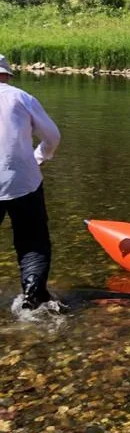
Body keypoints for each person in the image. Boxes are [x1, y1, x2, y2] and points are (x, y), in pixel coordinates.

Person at [0, 55, 61, 310]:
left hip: (20, 180)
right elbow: (52, 135)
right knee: (32, 242)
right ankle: (32, 295)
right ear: (7, 75)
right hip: (23, 181)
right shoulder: (21, 97)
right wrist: (39, 156)